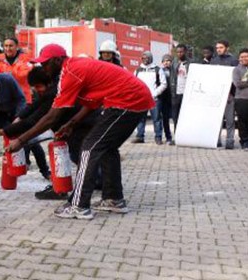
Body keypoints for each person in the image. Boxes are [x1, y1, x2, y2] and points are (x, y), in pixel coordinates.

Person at [8, 44, 153, 220]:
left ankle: (78, 205)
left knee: (89, 148)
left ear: (57, 60)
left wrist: (21, 141)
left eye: (45, 64)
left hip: (127, 101)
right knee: (108, 148)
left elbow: (51, 117)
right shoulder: (73, 68)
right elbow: (91, 103)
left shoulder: (70, 71)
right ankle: (114, 199)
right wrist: (71, 124)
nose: (43, 69)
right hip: (134, 99)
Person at [0, 66, 98, 200]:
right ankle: (64, 187)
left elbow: (33, 121)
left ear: (48, 83)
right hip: (69, 127)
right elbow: (34, 105)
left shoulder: (54, 93)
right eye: (34, 87)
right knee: (73, 155)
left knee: (79, 157)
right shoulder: (48, 90)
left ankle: (79, 193)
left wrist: (0, 132)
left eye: (38, 86)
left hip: (80, 126)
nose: (37, 90)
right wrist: (19, 117)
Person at [0, 38, 48, 177]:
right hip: (6, 104)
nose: (8, 48)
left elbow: (26, 75)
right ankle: (18, 166)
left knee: (31, 138)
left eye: (11, 46)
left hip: (24, 102)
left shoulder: (26, 58)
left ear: (17, 47)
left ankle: (44, 170)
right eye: (5, 46)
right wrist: (12, 74)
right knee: (11, 135)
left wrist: (9, 75)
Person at [132, 51, 167, 145]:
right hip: (142, 99)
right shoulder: (138, 70)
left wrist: (154, 94)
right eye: (143, 58)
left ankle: (158, 137)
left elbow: (164, 84)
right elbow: (133, 84)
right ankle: (140, 136)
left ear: (151, 58)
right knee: (140, 119)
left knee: (156, 119)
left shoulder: (157, 70)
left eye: (146, 58)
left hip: (154, 99)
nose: (144, 60)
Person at [211, 40, 240, 149]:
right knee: (216, 120)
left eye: (221, 47)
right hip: (216, 95)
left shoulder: (234, 61)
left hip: (229, 96)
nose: (218, 49)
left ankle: (229, 142)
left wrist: (231, 94)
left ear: (227, 48)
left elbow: (236, 79)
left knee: (230, 120)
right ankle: (216, 140)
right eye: (217, 48)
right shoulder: (213, 61)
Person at [170, 44, 191, 130]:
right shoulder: (174, 63)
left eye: (181, 52)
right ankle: (176, 135)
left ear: (185, 52)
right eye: (178, 52)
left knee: (186, 116)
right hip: (176, 93)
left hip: (186, 94)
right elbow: (171, 78)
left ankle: (185, 135)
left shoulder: (191, 63)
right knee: (175, 116)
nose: (179, 54)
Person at [233, 48, 248, 150]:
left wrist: (245, 82)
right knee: (242, 122)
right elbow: (238, 84)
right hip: (241, 99)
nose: (244, 58)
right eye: (242, 57)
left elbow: (243, 83)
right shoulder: (237, 70)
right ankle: (244, 141)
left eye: (246, 56)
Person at [160, 54, 174, 145]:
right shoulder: (159, 71)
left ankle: (178, 137)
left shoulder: (175, 71)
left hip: (173, 98)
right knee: (165, 119)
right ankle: (168, 137)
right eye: (164, 61)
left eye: (168, 61)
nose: (166, 62)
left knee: (176, 118)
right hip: (164, 99)